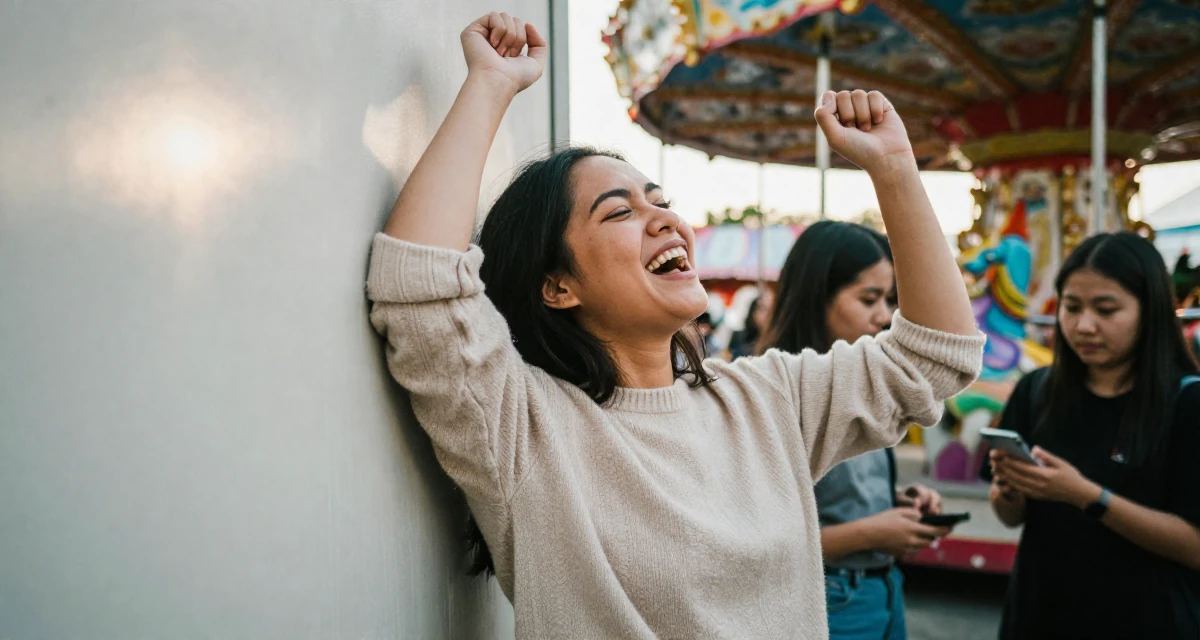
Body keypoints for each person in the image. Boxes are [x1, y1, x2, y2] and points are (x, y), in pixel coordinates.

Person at [366, 12, 983, 638]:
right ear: (558, 286)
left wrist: (896, 169)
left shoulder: (767, 401)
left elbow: (936, 358)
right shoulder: (525, 426)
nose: (666, 220)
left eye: (660, 201)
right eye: (620, 213)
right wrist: (490, 85)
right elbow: (420, 282)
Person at [985, 232, 1200, 639]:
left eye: (1106, 309)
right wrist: (1010, 489)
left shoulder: (1187, 403)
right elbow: (1011, 517)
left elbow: (1194, 546)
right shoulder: (1036, 390)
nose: (1084, 326)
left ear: (1150, 309)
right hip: (1039, 617)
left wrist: (1085, 495)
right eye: (1071, 307)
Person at [761, 221, 953, 640]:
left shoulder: (861, 384)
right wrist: (871, 531)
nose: (885, 316)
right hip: (829, 595)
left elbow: (833, 494)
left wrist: (897, 502)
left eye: (890, 300)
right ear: (818, 296)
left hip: (883, 587)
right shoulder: (774, 393)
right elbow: (760, 540)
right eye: (869, 299)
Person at [727, 288, 774, 359]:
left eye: (772, 309)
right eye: (763, 309)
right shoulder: (739, 340)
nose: (768, 314)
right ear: (753, 313)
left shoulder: (781, 348)